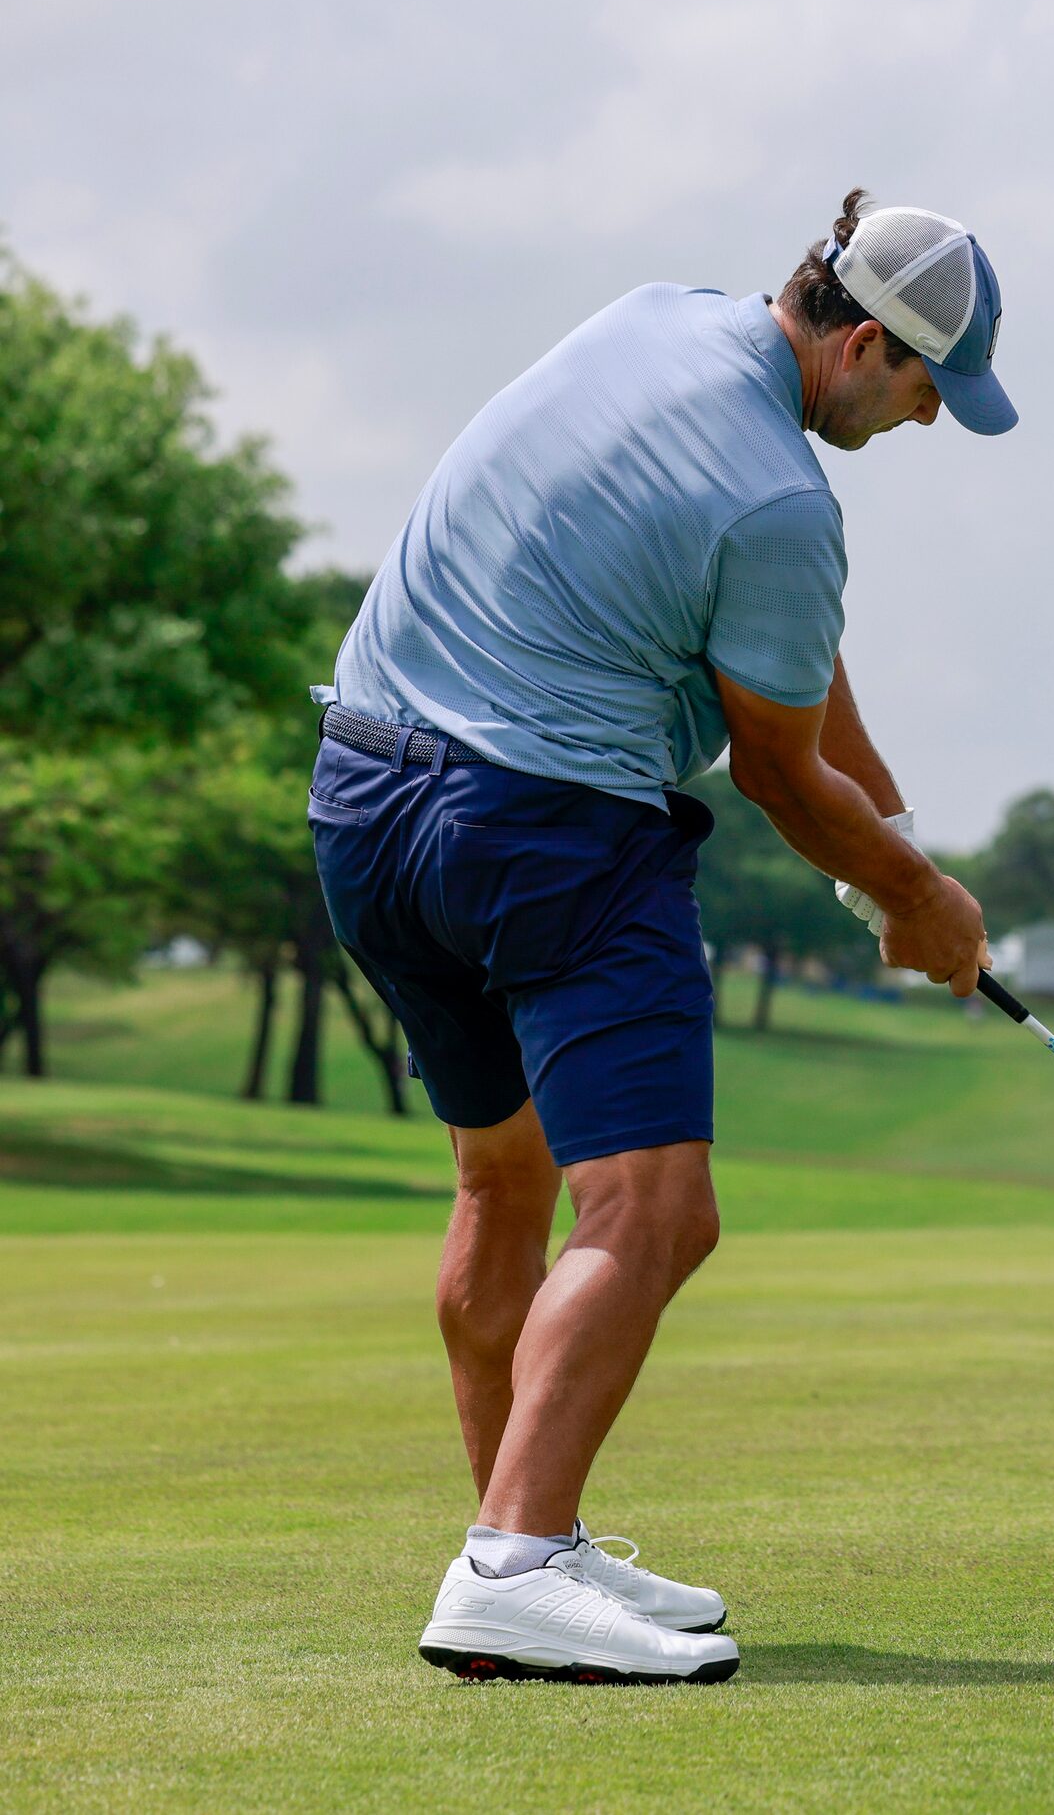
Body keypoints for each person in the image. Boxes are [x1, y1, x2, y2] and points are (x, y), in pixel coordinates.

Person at [307, 191, 1012, 1685]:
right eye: (925, 387)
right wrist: (920, 900)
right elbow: (771, 774)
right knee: (655, 1212)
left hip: (367, 796)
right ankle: (511, 1560)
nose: (928, 421)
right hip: (542, 829)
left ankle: (521, 1540)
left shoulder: (649, 320)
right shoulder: (784, 499)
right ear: (867, 342)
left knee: (504, 1179)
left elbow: (791, 674)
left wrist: (880, 815)